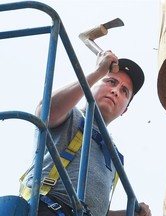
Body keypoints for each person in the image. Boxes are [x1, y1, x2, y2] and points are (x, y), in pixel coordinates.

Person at [21, 50, 151, 216]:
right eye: (111, 81)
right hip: (48, 208)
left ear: (124, 110)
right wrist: (98, 72)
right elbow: (45, 111)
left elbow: (96, 211)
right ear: (92, 84)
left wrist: (127, 214)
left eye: (124, 91)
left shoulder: (114, 157)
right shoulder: (72, 116)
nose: (116, 91)